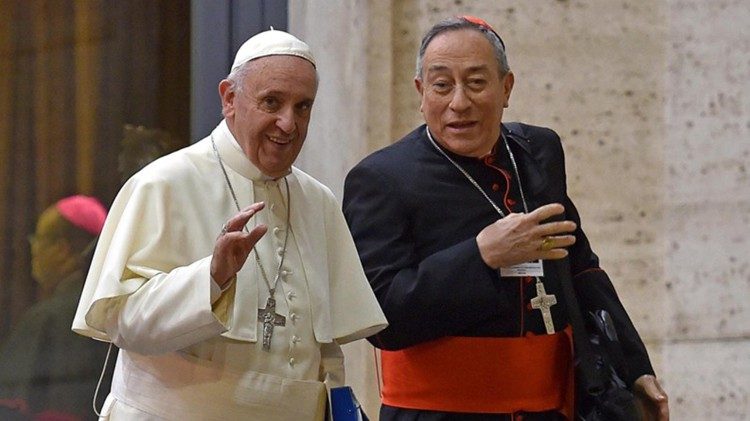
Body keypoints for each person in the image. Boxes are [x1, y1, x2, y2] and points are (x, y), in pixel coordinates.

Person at [343, 16, 669, 421]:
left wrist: (635, 367)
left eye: (477, 82)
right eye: (442, 85)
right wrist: (481, 256)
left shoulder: (539, 151)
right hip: (440, 414)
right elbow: (380, 319)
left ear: (506, 88)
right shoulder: (380, 179)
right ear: (420, 92)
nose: (458, 102)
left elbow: (580, 268)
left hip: (551, 411)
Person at [72, 29, 387, 420]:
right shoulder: (164, 183)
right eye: (272, 102)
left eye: (303, 107)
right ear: (230, 99)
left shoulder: (317, 200)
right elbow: (123, 322)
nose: (288, 124)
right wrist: (212, 277)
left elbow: (323, 352)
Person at [0, 195, 110, 420]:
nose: (34, 250)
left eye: (38, 239)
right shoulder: (112, 310)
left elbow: (10, 405)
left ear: (61, 249)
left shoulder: (45, 318)